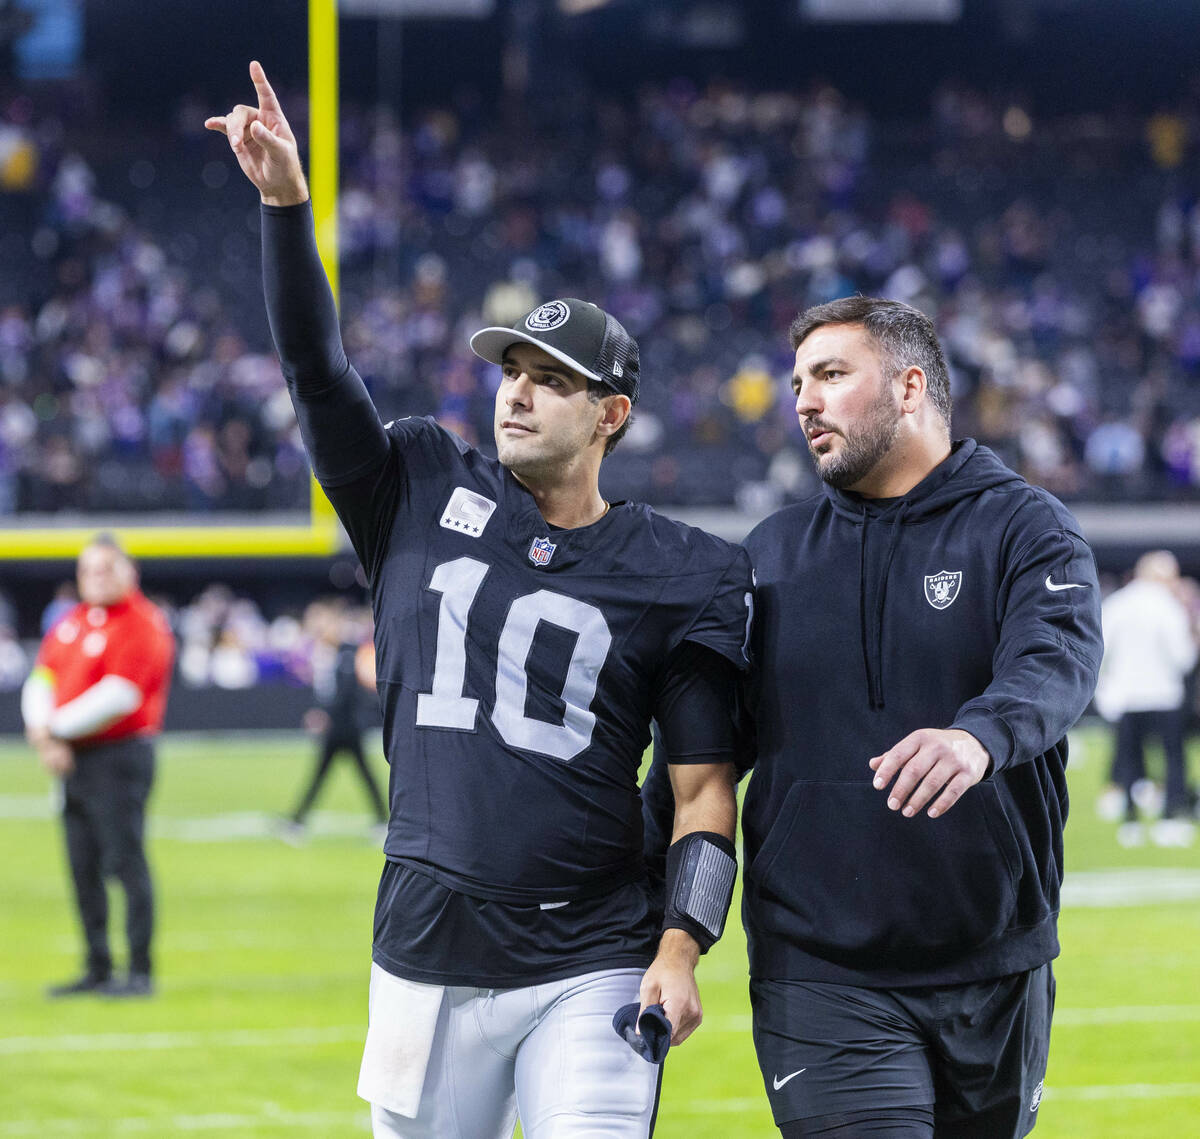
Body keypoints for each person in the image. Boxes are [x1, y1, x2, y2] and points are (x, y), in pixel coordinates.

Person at [207, 63, 753, 1139]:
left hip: (591, 954)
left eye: (552, 378)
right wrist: (285, 209)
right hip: (424, 944)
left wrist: (681, 946)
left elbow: (701, 794)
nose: (517, 388)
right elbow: (318, 373)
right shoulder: (415, 485)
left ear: (612, 414)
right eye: (511, 368)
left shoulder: (682, 569)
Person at [645, 296, 1103, 1137]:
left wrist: (978, 736)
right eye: (797, 383)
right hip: (820, 972)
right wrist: (662, 929)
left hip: (998, 965)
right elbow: (692, 766)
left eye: (830, 374)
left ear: (909, 387)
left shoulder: (1027, 528)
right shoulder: (769, 556)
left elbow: (1056, 661)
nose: (803, 402)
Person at [21, 534, 175, 998]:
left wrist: (51, 730)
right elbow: (41, 678)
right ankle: (97, 965)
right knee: (81, 865)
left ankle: (140, 971)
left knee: (124, 862)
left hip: (118, 755)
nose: (97, 577)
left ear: (131, 571)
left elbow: (120, 696)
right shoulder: (71, 623)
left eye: (107, 568)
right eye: (89, 569)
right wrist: (47, 732)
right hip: (72, 757)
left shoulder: (142, 623)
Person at [1094, 550, 1198, 846]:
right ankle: (1170, 818)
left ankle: (1130, 820)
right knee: (1173, 758)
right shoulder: (1168, 606)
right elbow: (1183, 656)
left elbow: (1101, 651)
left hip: (1126, 696)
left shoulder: (1118, 604)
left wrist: (1106, 688)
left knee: (1127, 758)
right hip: (1163, 694)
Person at [281, 600, 387, 841]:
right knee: (348, 774)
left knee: (335, 774)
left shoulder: (347, 651)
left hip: (346, 725)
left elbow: (347, 690)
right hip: (342, 725)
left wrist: (324, 713)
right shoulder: (329, 652)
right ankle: (298, 821)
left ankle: (297, 822)